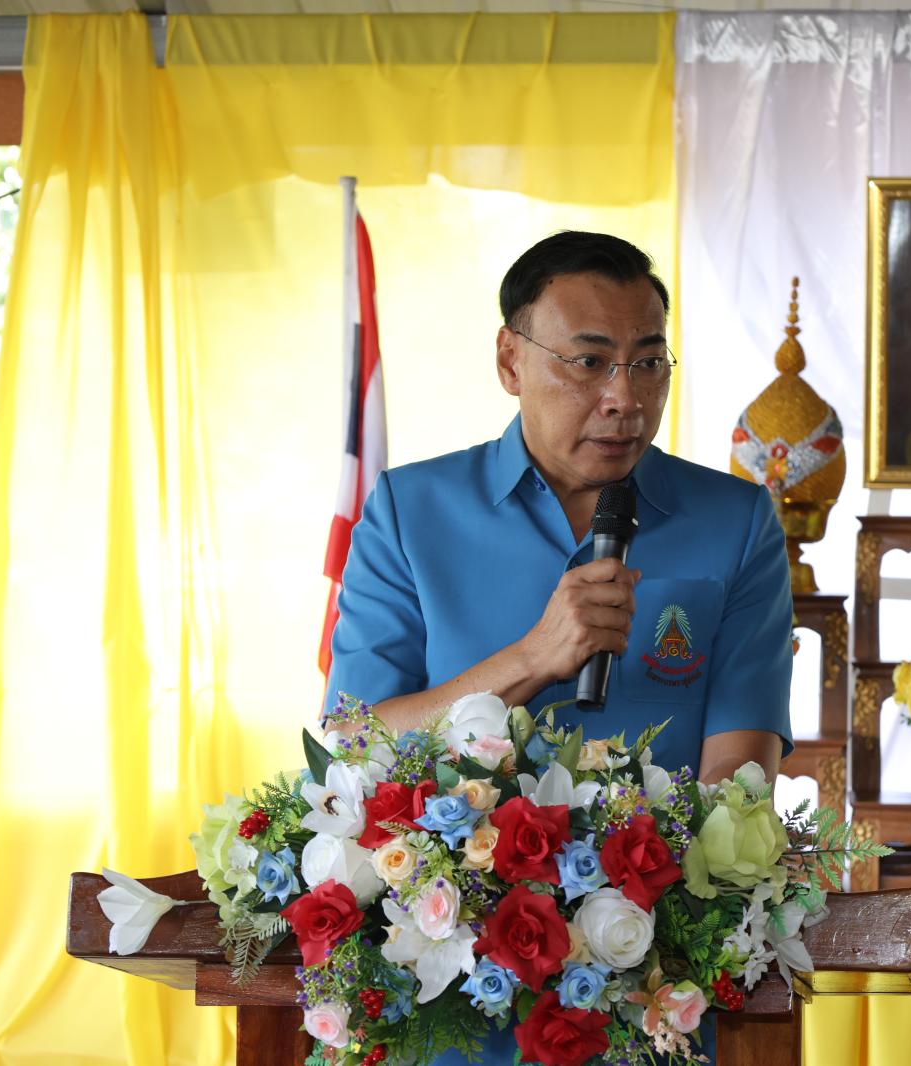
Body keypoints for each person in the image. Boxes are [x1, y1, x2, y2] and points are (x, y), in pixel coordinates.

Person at [321, 231, 794, 1065]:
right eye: (590, 362)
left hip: (650, 989)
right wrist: (533, 658)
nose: (624, 397)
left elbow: (741, 775)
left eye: (648, 363)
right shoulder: (409, 511)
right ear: (511, 360)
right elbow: (354, 743)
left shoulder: (736, 522)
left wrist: (636, 900)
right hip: (448, 992)